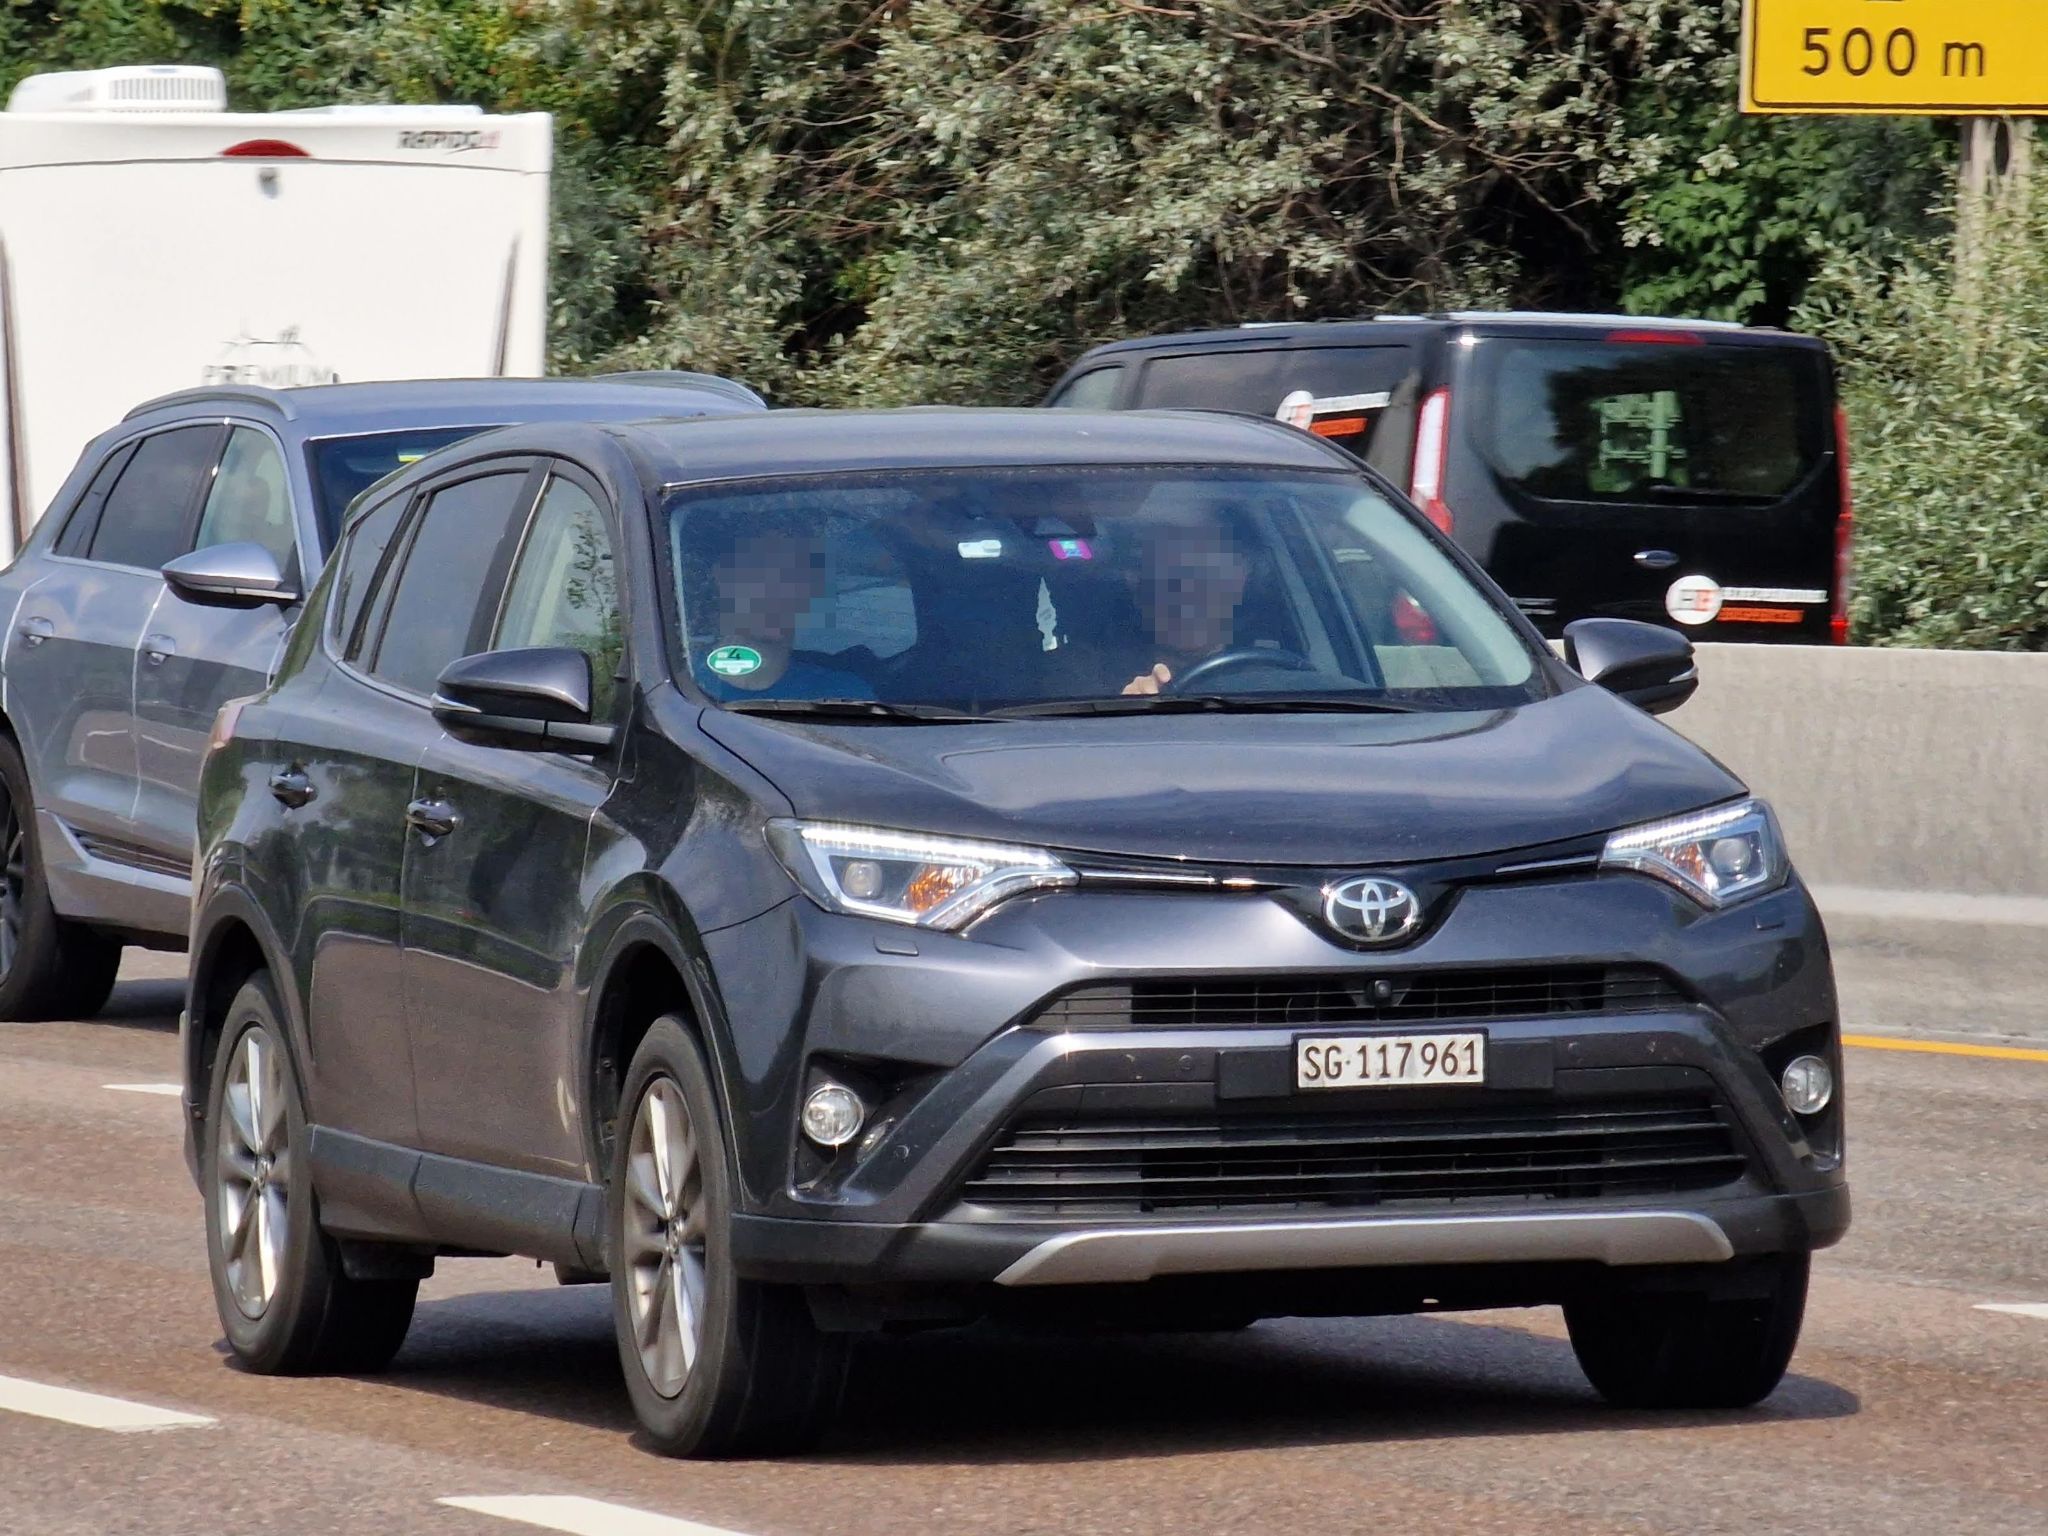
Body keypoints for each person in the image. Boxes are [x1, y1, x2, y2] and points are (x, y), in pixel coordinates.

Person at [697, 529, 874, 700]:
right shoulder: (686, 681)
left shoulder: (845, 696)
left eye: (795, 574)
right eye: (763, 568)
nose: (781, 587)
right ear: (724, 576)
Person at [1119, 515, 1251, 695]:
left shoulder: (1273, 680)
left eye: (1204, 576)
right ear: (1138, 592)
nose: (1187, 594)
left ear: (1237, 585)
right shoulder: (1093, 676)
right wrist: (1124, 705)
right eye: (1170, 579)